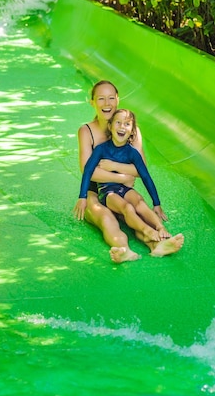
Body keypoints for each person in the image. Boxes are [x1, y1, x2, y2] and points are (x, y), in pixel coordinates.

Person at [73, 81, 183, 263]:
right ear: (92, 102)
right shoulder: (87, 131)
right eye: (100, 99)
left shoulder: (131, 129)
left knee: (137, 209)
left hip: (122, 190)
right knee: (106, 217)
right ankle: (123, 250)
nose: (106, 103)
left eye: (111, 98)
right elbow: (89, 172)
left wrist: (112, 168)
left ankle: (158, 245)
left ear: (117, 100)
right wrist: (123, 176)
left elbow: (141, 170)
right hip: (96, 192)